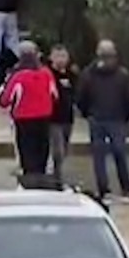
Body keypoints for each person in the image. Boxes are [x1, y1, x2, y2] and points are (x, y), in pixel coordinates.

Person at [76, 39, 129, 203]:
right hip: (98, 118)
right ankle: (105, 189)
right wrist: (87, 113)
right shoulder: (89, 74)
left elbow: (128, 98)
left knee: (117, 153)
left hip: (115, 118)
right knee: (101, 155)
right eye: (105, 55)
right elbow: (82, 97)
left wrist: (125, 115)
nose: (108, 59)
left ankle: (125, 188)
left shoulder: (121, 75)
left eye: (110, 55)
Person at [0, 42, 58, 180]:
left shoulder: (18, 77)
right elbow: (55, 96)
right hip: (44, 119)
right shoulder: (46, 74)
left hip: (23, 120)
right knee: (42, 151)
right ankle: (41, 178)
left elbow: (5, 100)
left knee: (26, 153)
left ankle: (29, 179)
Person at [48, 46, 80, 186]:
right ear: (52, 58)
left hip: (68, 118)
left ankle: (57, 174)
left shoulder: (72, 75)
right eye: (58, 56)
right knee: (57, 151)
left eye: (63, 56)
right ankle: (57, 179)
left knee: (65, 149)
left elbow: (77, 92)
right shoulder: (48, 74)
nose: (61, 60)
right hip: (53, 118)